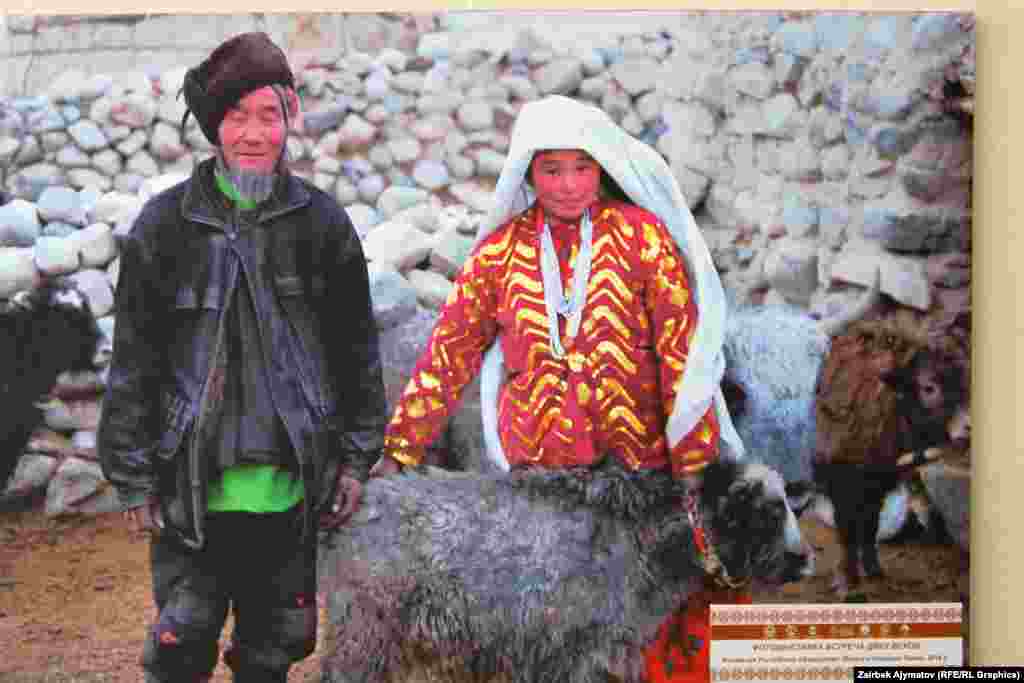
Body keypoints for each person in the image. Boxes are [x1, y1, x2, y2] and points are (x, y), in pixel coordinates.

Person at [370, 94, 749, 682]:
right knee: (551, 626)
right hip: (539, 483)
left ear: (602, 168)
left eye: (581, 168)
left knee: (646, 616)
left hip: (639, 473)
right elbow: (449, 353)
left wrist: (696, 465)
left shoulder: (644, 240)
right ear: (527, 174)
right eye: (552, 170)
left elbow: (682, 358)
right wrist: (401, 447)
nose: (569, 185)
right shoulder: (499, 254)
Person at [98, 32, 388, 683]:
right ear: (212, 126)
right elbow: (134, 362)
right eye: (236, 116)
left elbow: (356, 355)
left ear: (289, 121)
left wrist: (355, 459)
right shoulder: (165, 228)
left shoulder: (322, 226)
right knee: (181, 640)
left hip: (294, 490)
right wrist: (133, 476)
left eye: (269, 115)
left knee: (274, 648)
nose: (254, 134)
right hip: (189, 490)